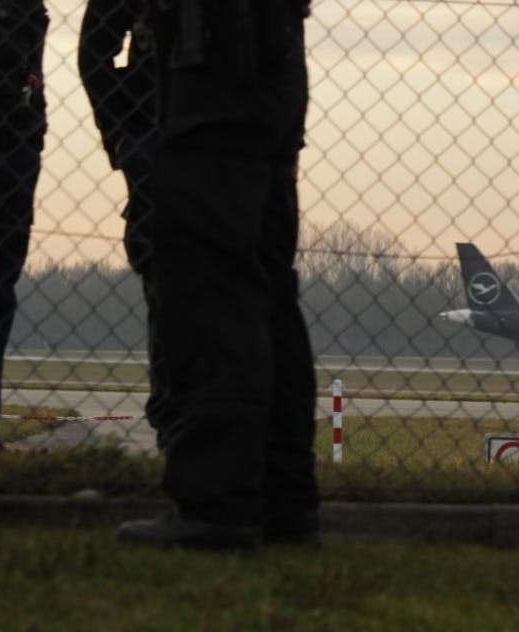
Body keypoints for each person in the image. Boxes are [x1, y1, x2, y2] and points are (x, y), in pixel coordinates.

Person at [117, 0, 319, 550]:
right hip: (263, 64)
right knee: (267, 290)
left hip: (218, 61)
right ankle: (282, 500)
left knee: (211, 291)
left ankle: (220, 502)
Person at [78, 0, 173, 451]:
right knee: (167, 286)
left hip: (222, 136)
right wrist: (122, 124)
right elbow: (94, 48)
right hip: (158, 134)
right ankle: (174, 425)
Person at [0, 0, 49, 450]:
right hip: (3, 142)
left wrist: (30, 134)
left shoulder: (26, 10)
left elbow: (30, 76)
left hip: (10, 145)